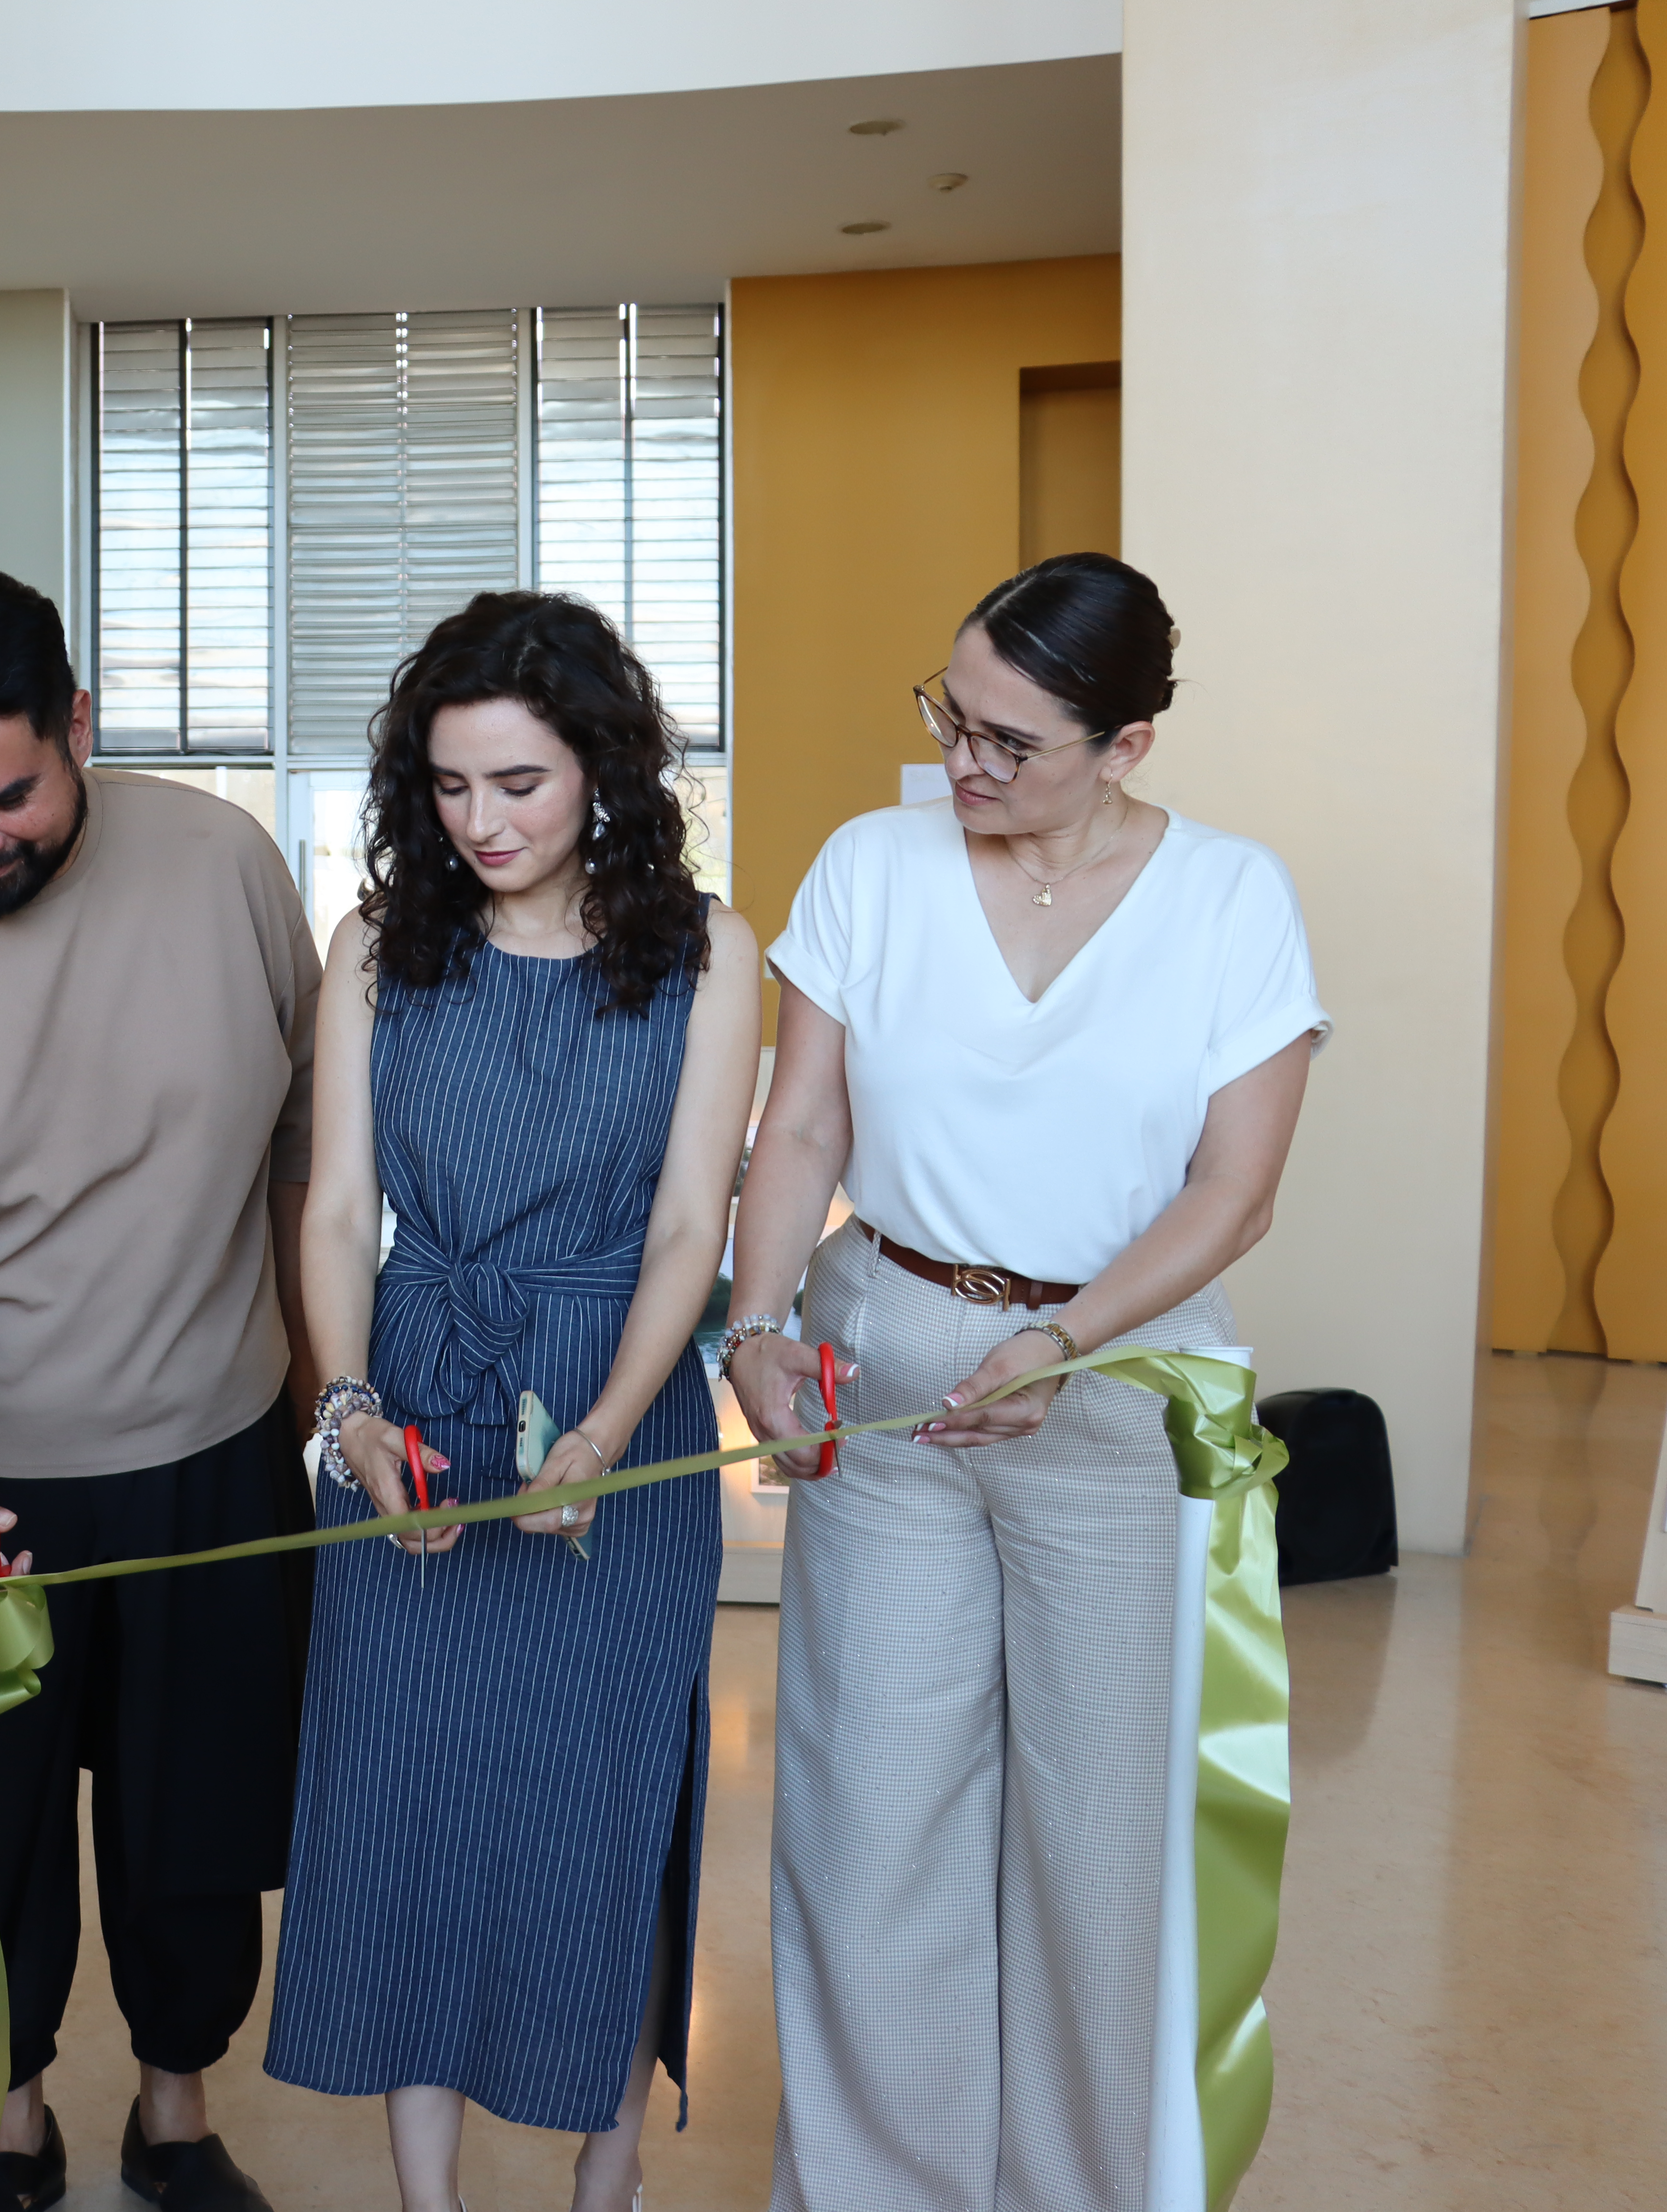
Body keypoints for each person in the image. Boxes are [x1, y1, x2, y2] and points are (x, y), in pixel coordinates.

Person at [725, 553, 1326, 2212]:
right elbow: (808, 1126)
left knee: (1095, 1846)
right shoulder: (874, 866)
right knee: (873, 1827)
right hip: (894, 1364)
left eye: (1010, 740)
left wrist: (1067, 1340)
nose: (965, 765)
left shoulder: (1230, 899)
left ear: (1127, 744)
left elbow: (1235, 1190)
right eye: (951, 717)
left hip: (1117, 1382)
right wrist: (757, 1323)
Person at [0, 571, 319, 2212]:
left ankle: (175, 2107)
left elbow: (309, 1156)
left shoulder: (226, 868)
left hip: (214, 1448)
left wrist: (315, 1393)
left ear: (78, 728)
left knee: (194, 1827)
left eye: (6, 793)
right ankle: (10, 2127)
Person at [264, 594, 760, 2212]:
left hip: (623, 1410)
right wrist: (345, 1409)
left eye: (521, 786)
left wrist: (611, 1432)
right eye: (452, 788)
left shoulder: (704, 953)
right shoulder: (375, 948)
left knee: (598, 1813)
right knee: (406, 1813)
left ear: (605, 770)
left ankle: (599, 2194)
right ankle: (431, 2201)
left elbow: (695, 1223)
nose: (483, 823)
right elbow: (340, 1207)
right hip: (410, 1397)